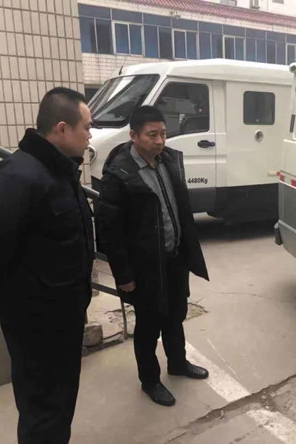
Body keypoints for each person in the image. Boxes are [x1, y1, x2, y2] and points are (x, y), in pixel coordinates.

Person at [0, 87, 95, 444]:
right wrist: (1, 300)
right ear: (62, 128)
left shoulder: (59, 171)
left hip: (62, 316)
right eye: (87, 127)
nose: (90, 136)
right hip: (36, 323)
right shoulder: (20, 176)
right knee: (43, 410)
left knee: (59, 402)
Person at [95, 106, 209, 406]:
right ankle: (150, 380)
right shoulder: (119, 174)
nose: (160, 141)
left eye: (163, 134)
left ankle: (178, 363)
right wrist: (124, 276)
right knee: (148, 325)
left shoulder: (167, 160)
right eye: (152, 135)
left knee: (176, 315)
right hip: (145, 267)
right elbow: (110, 232)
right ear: (133, 136)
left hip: (175, 258)